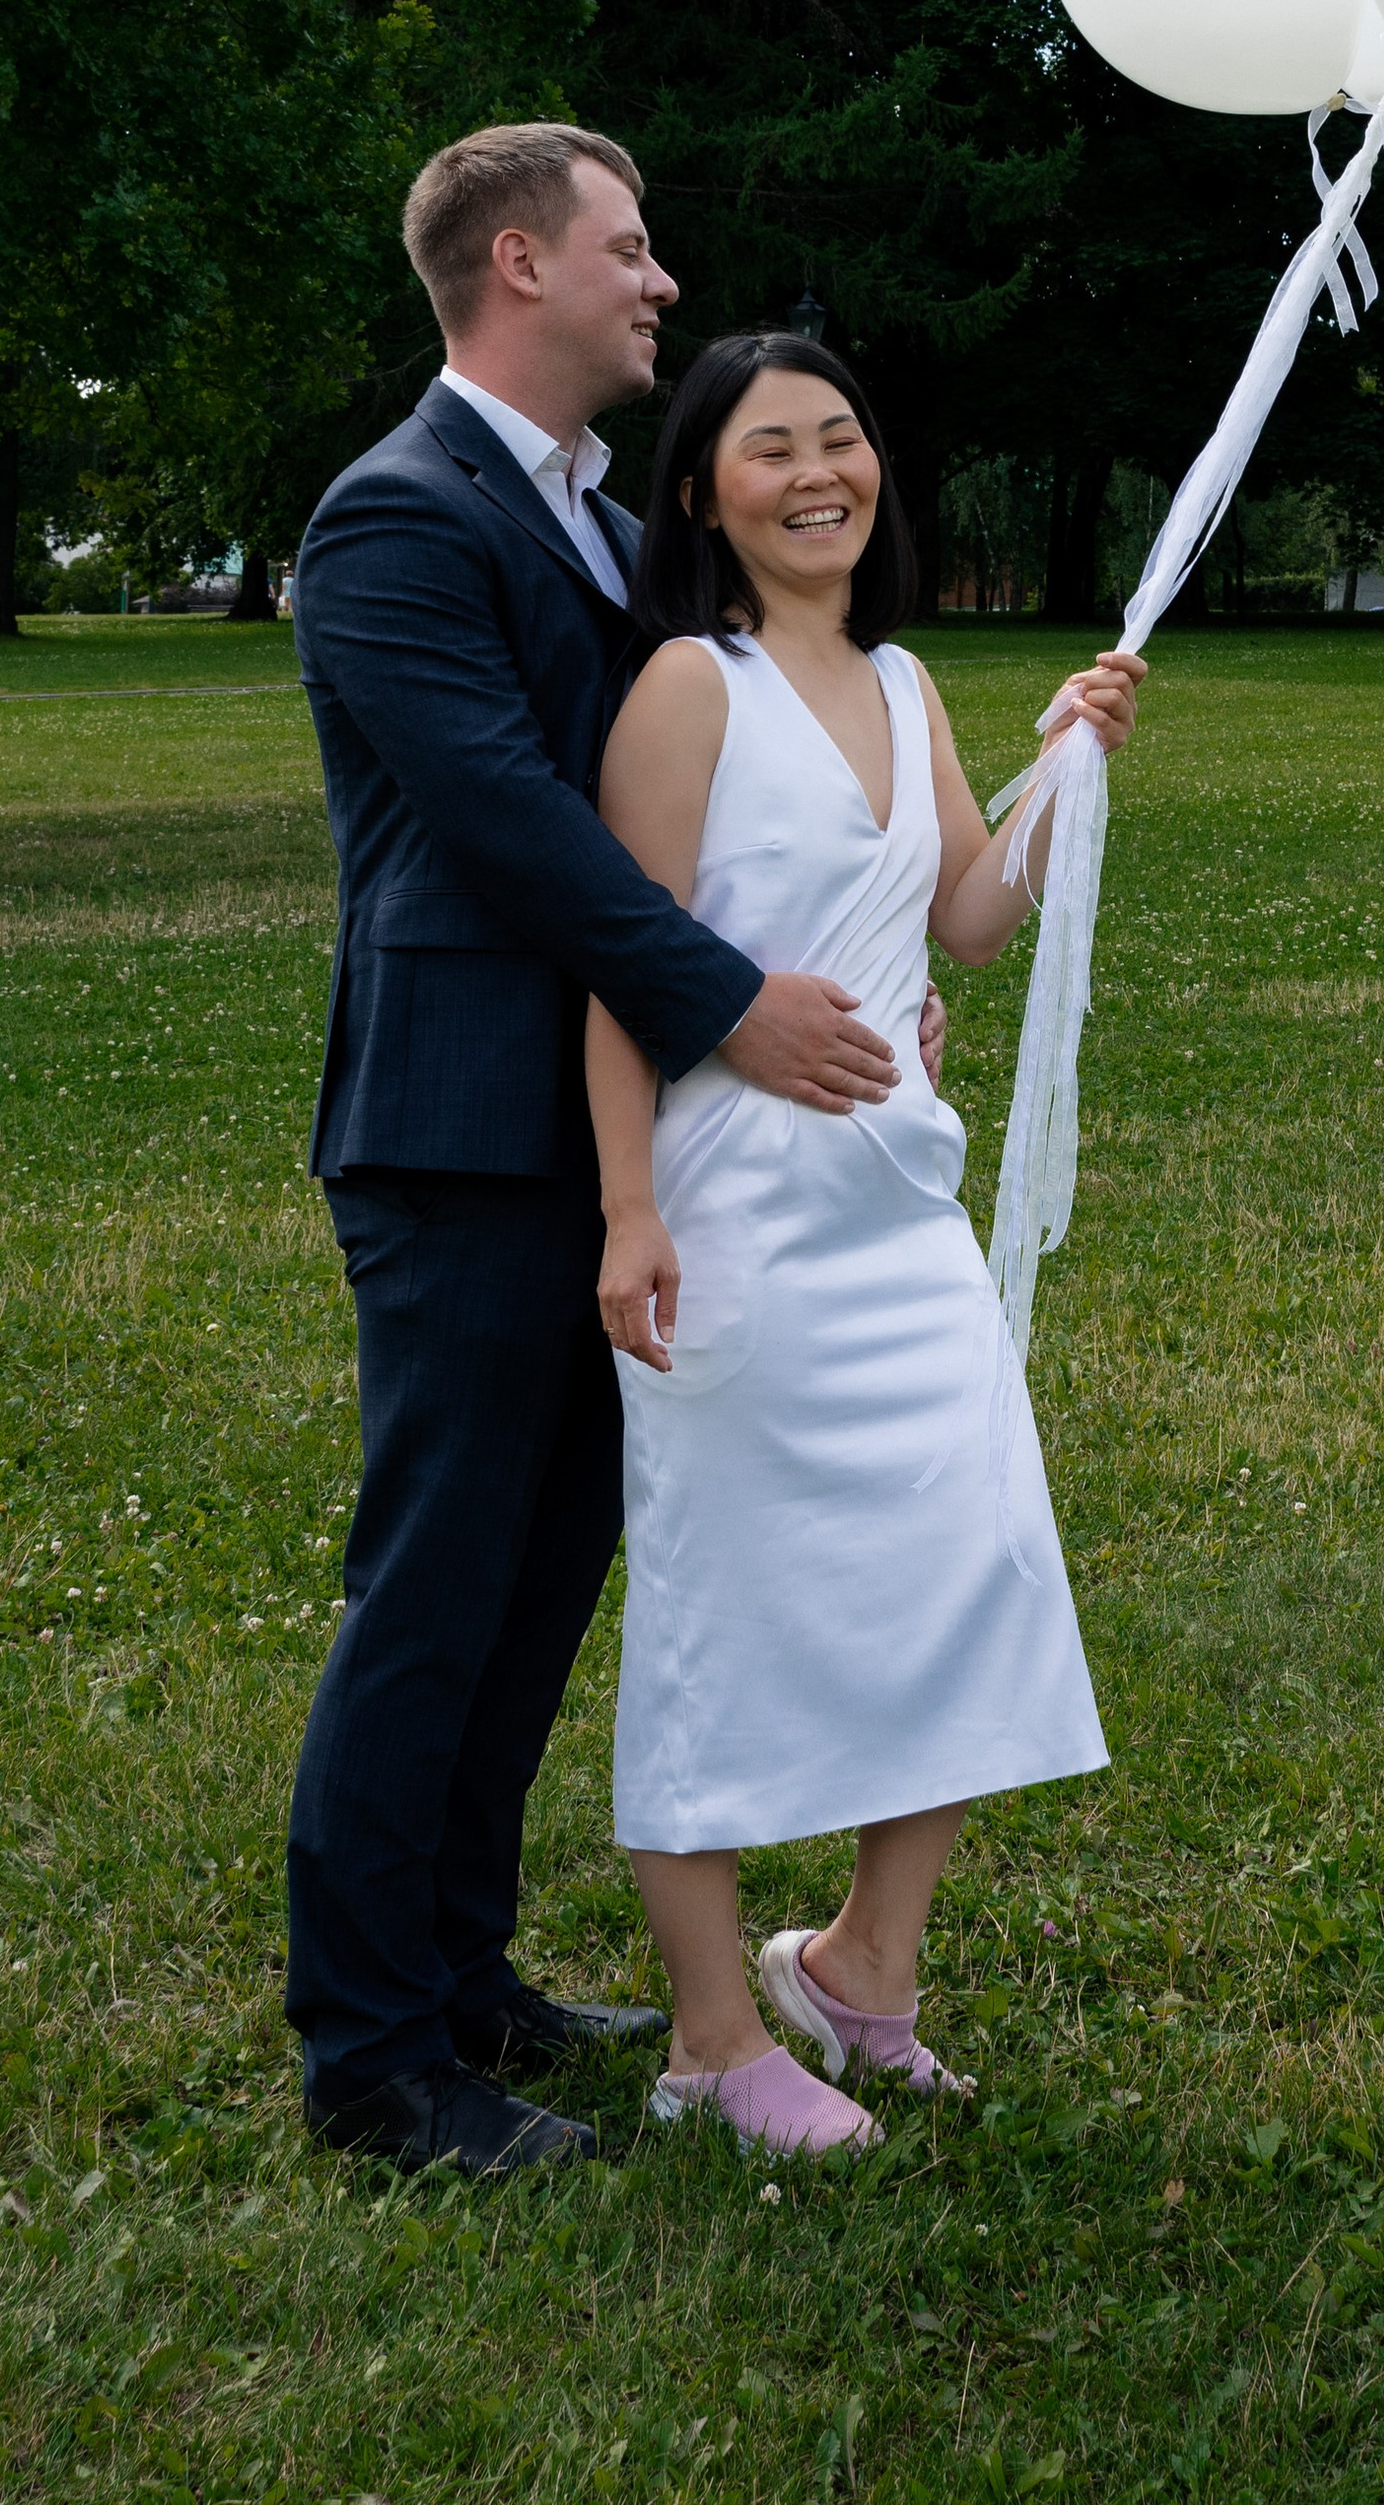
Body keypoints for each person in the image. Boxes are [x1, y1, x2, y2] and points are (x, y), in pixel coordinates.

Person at [284, 128, 938, 2176]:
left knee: (538, 1586)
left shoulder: (576, 516)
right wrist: (732, 1008)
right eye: (627, 249)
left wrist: (856, 962)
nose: (658, 282)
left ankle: (461, 1971)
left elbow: (701, 803)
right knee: (435, 1590)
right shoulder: (395, 521)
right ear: (514, 264)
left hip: (606, 1142)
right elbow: (517, 834)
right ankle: (377, 2064)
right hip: (464, 1140)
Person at [587, 331, 1146, 2154]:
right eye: (771, 448)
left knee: (973, 1561)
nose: (819, 471)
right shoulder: (687, 684)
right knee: (721, 1611)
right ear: (702, 492)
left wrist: (1065, 759)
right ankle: (710, 2035)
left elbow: (969, 923)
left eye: (842, 439)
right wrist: (629, 1207)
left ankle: (864, 1968)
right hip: (737, 1209)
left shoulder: (907, 681)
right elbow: (621, 962)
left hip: (905, 1209)